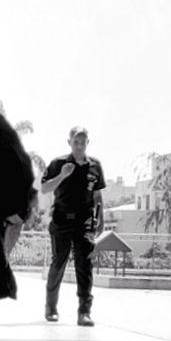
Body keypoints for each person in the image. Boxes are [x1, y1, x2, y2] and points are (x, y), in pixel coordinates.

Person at [40, 126, 105, 326]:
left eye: (82, 142)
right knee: (59, 262)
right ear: (69, 143)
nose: (79, 145)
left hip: (84, 221)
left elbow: (97, 195)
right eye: (75, 142)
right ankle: (51, 306)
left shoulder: (95, 166)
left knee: (84, 264)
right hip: (62, 220)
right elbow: (44, 188)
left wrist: (100, 219)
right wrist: (61, 176)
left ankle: (84, 311)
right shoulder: (58, 163)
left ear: (88, 143)